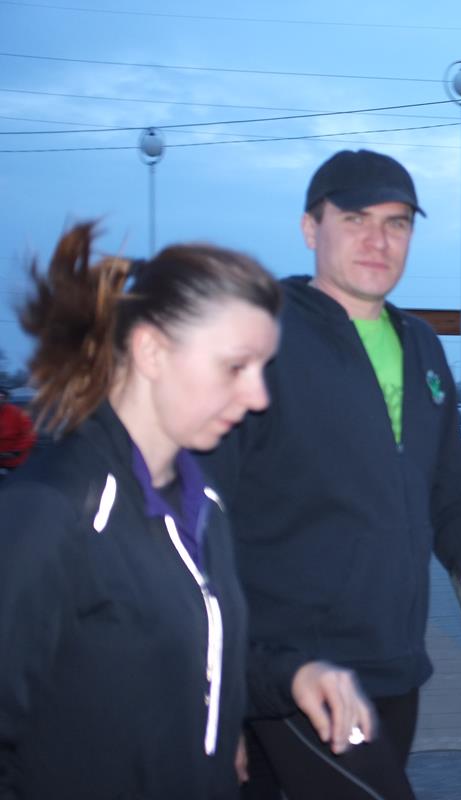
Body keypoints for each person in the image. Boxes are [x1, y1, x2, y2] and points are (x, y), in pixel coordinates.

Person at [203, 149, 461, 800]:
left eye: (396, 223)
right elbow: (199, 514)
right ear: (310, 228)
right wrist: (215, 689)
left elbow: (451, 499)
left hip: (394, 664)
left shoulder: (422, 346)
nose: (378, 241)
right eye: (355, 219)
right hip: (292, 668)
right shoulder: (262, 338)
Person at [0, 224, 281, 798]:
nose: (259, 397)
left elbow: (192, 653)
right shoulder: (53, 512)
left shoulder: (203, 504)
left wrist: (295, 677)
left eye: (263, 369)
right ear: (152, 351)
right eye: (236, 366)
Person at [0, 385, 36, 479]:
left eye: (1, 397)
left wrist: (16, 451)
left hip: (12, 459)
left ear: (6, 399)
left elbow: (29, 435)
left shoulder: (17, 413)